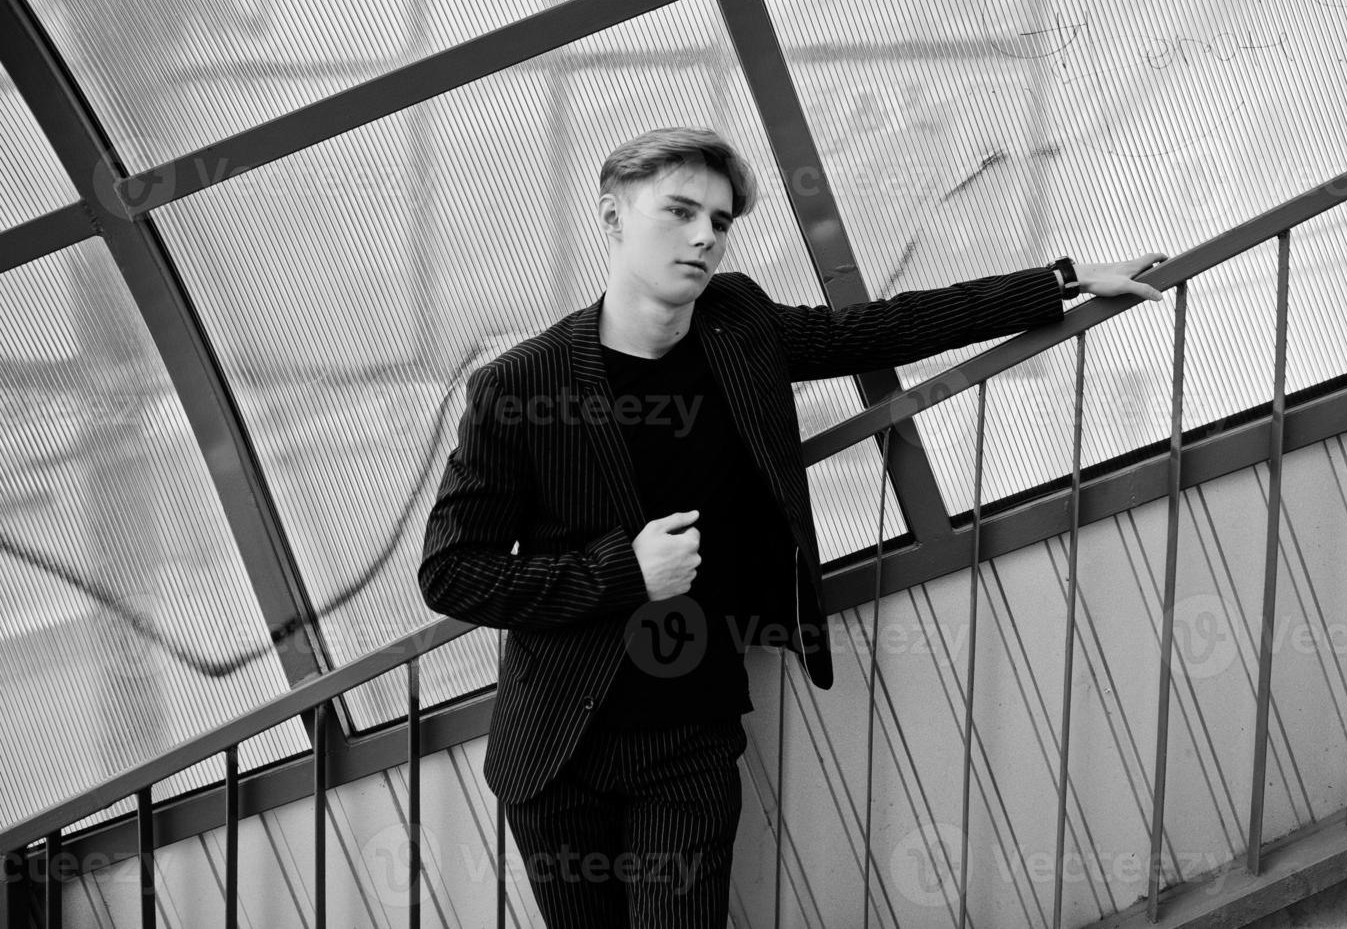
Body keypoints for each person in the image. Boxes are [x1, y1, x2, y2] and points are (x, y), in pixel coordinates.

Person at [418, 126, 1166, 927]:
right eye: (679, 211)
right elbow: (452, 572)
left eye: (721, 218)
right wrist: (623, 573)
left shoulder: (737, 324)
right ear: (612, 217)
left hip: (687, 739)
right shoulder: (519, 386)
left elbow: (878, 330)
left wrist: (1058, 281)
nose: (705, 234)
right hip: (558, 752)